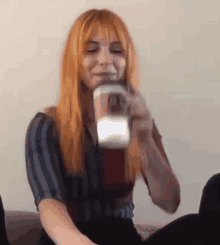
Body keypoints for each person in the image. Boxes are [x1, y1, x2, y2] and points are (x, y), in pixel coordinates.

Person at [25, 9, 181, 245]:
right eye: (91, 50)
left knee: (203, 212)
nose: (106, 60)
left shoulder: (138, 120)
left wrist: (146, 139)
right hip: (68, 239)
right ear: (74, 61)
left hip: (123, 236)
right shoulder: (46, 126)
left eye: (117, 50)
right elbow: (50, 205)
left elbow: (169, 202)